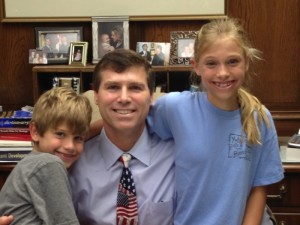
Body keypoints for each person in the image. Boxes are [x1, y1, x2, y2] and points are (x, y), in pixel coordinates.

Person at [147, 18, 284, 224]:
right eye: (211, 63)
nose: (223, 73)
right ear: (196, 66)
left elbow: (259, 187)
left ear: (246, 62)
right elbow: (129, 117)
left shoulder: (260, 118)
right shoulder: (174, 108)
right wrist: (86, 132)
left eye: (232, 61)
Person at [69, 49, 175, 225]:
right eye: (113, 87)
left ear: (151, 95)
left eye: (135, 87)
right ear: (96, 95)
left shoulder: (177, 154)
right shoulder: (72, 160)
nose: (124, 98)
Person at [0, 87, 92, 225]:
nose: (70, 146)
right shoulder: (49, 163)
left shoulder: (30, 164)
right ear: (35, 131)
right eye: (60, 134)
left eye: (78, 138)